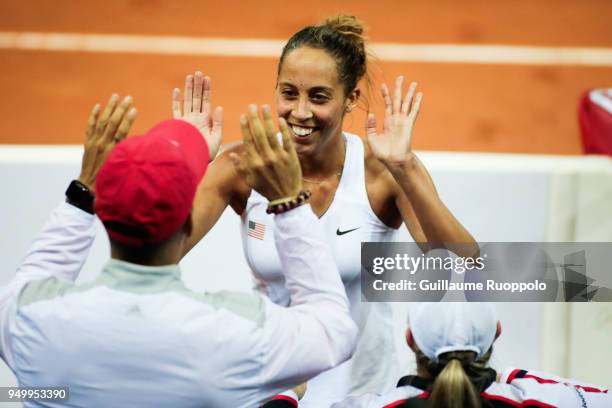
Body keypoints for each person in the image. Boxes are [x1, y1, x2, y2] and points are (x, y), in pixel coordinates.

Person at [0, 74, 357, 407]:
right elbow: (332, 329)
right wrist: (290, 203)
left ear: (103, 217)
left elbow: (33, 276)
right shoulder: (238, 334)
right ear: (189, 221)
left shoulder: (26, 320)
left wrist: (83, 191)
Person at [182, 14, 477, 406]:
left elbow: (467, 269)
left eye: (319, 97)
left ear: (351, 98)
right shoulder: (243, 166)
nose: (300, 113)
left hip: (363, 395)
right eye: (289, 93)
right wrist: (186, 159)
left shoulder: (379, 171)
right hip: (268, 388)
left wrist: (405, 169)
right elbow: (159, 251)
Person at [265, 303, 612, 408]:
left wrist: (287, 392)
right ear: (497, 335)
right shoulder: (543, 398)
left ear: (409, 339)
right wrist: (524, 380)